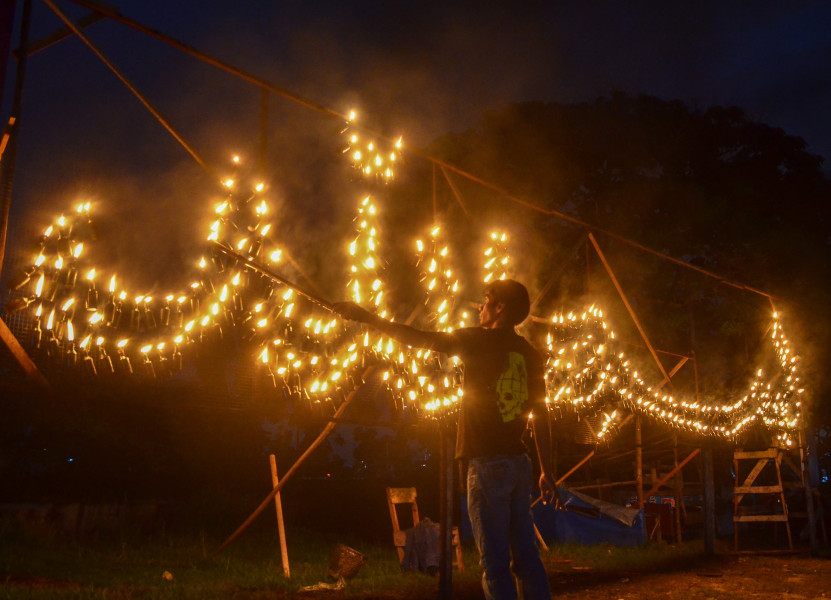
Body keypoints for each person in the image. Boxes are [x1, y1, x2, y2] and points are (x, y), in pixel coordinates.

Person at [334, 278, 554, 600]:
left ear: (499, 307)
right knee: (526, 556)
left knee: (494, 562)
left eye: (486, 300)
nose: (480, 306)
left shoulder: (479, 341)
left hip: (487, 463)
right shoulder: (530, 354)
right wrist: (547, 470)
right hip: (520, 466)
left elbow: (419, 339)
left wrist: (367, 317)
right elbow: (543, 415)